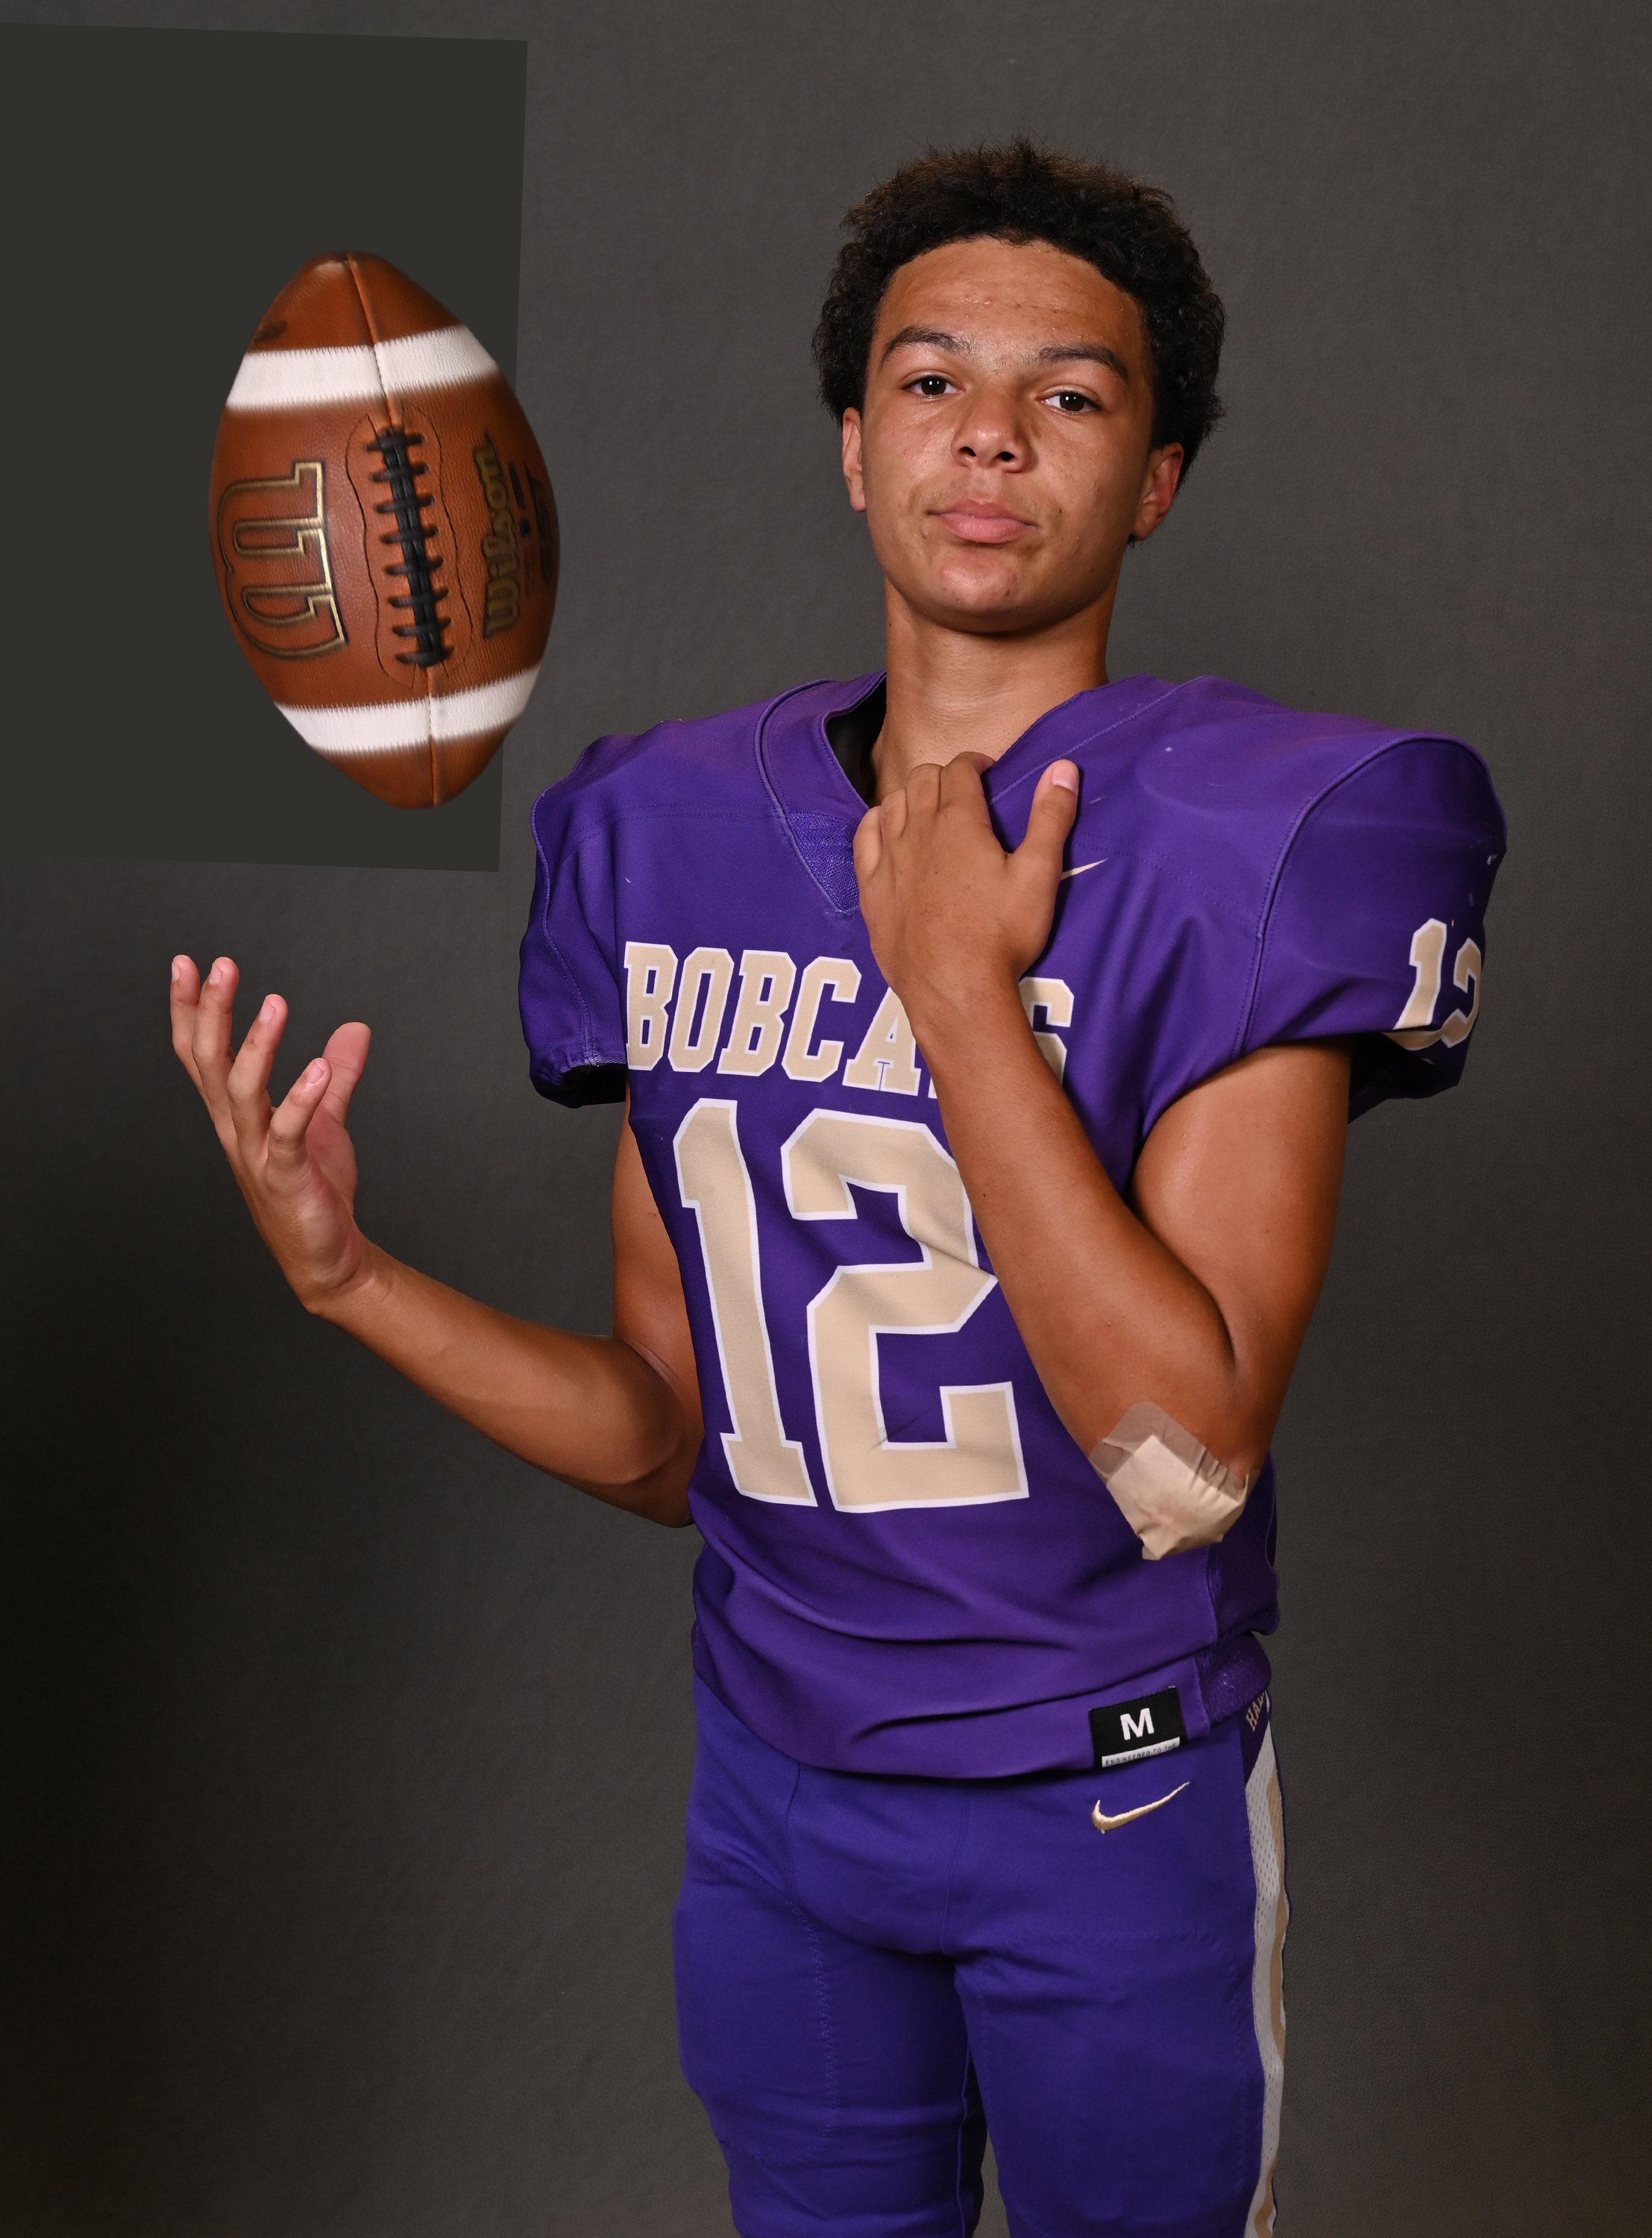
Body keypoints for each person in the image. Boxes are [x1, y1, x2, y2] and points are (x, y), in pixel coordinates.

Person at [172, 142, 1504, 2238]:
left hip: (1105, 1803)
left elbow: (1186, 1459)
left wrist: (963, 1000)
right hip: (781, 1813)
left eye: (1072, 393)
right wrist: (352, 1280)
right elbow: (670, 1440)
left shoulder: (1251, 838)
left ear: (1155, 478)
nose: (992, 432)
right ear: (855, 446)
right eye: (931, 379)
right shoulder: (669, 831)